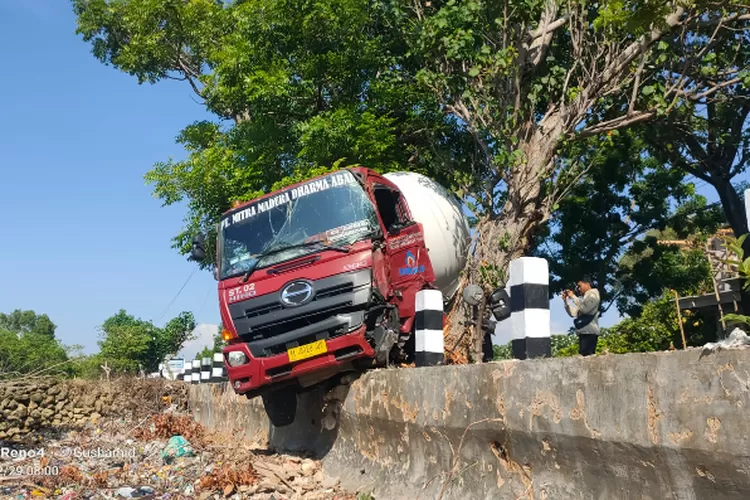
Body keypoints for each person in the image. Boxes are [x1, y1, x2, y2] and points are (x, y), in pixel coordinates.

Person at [562, 277, 601, 356]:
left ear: (587, 284)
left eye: (580, 286)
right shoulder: (584, 298)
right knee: (584, 357)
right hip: (583, 331)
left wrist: (573, 297)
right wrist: (566, 301)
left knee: (587, 357)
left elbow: (584, 309)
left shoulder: (593, 294)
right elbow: (573, 313)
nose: (578, 289)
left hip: (590, 331)